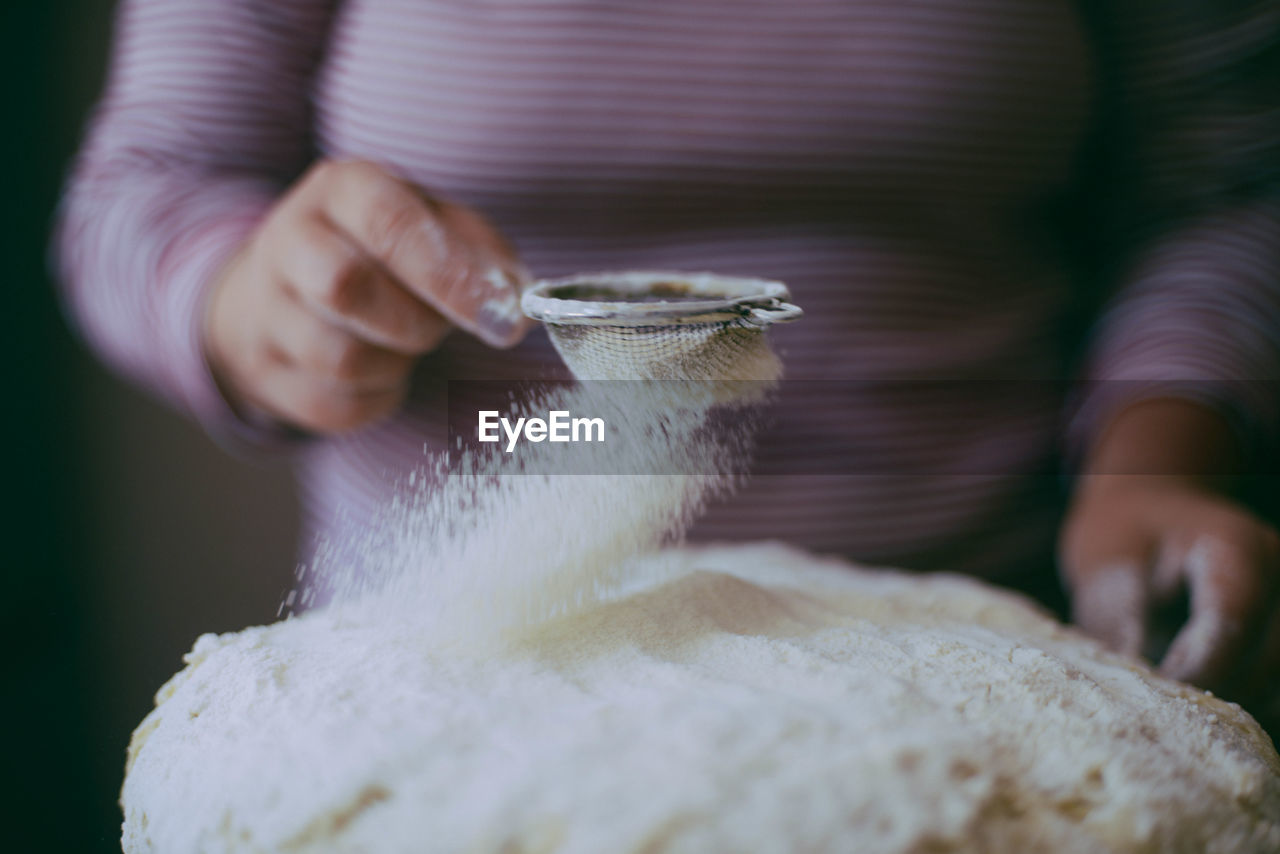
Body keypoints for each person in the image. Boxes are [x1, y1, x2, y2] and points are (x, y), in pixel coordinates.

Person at [57, 0, 1278, 716]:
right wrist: (251, 298)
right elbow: (143, 189)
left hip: (975, 661)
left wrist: (1154, 458)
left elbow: (1224, 188)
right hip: (465, 670)